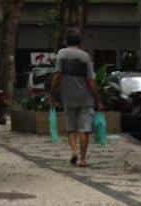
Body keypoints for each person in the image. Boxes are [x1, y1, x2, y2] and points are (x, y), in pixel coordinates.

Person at [50, 29, 103, 167]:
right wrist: (98, 100)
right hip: (86, 98)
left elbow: (57, 75)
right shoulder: (85, 57)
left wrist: (52, 93)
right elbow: (91, 81)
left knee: (71, 128)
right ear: (80, 43)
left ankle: (74, 151)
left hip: (68, 97)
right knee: (84, 129)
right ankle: (83, 159)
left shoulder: (61, 54)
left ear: (66, 42)